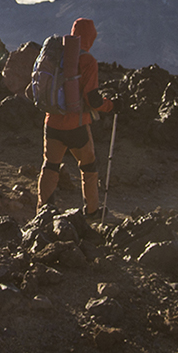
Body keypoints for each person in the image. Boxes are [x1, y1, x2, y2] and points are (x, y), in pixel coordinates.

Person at [36, 17, 117, 218]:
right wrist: (112, 105)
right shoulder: (87, 61)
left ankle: (43, 211)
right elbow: (92, 100)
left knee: (50, 166)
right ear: (90, 37)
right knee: (89, 167)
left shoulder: (55, 54)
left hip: (52, 122)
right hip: (76, 126)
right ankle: (92, 211)